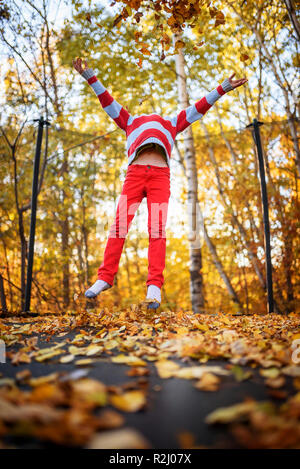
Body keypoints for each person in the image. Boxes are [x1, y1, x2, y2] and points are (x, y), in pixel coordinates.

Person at [72, 57, 247, 309]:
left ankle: (154, 287)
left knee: (157, 230)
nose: (150, 117)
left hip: (160, 178)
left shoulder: (171, 123)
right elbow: (107, 102)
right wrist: (90, 76)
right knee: (119, 225)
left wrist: (221, 88)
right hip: (134, 175)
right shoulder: (130, 121)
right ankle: (104, 277)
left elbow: (198, 108)